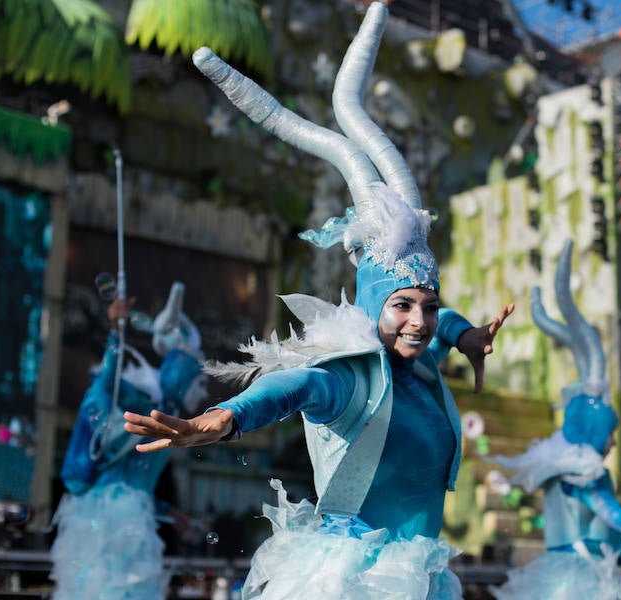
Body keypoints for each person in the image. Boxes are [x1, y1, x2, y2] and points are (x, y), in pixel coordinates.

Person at [124, 3, 513, 598]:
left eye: (428, 307)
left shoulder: (419, 356)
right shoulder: (355, 375)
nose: (419, 321)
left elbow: (436, 320)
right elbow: (297, 388)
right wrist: (224, 419)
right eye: (403, 306)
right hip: (356, 582)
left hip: (419, 578)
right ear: (372, 308)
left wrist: (465, 335)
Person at [489, 240, 621, 600]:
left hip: (559, 576)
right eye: (611, 434)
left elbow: (594, 529)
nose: (613, 443)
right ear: (595, 433)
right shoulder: (585, 470)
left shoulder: (559, 463)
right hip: (580, 583)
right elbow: (619, 519)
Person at [51, 283, 206, 600]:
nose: (203, 393)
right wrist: (115, 333)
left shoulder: (174, 417)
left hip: (138, 516)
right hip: (108, 516)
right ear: (183, 375)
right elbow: (108, 384)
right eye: (200, 381)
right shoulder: (148, 403)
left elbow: (138, 476)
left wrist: (169, 512)